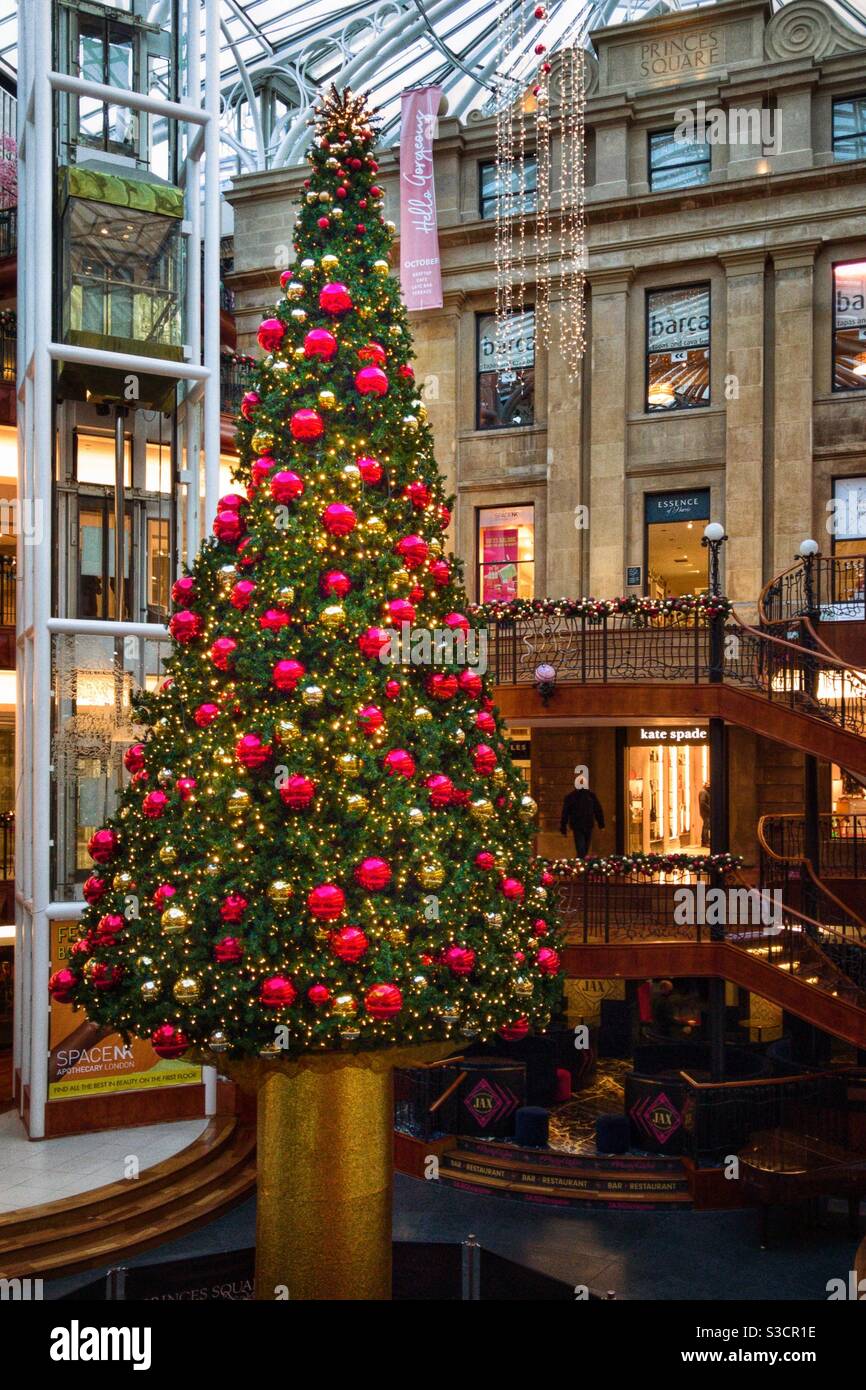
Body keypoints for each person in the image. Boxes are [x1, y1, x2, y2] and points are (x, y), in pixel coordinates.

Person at [560, 783, 605, 857]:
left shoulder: (571, 797)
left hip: (578, 825)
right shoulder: (591, 796)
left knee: (581, 848)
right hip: (587, 824)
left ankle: (581, 862)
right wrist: (601, 824)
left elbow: (565, 813)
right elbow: (598, 810)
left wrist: (563, 828)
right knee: (584, 848)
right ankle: (582, 862)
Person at [699, 780, 711, 848]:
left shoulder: (705, 792)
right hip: (705, 812)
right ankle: (705, 841)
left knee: (706, 826)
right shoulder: (704, 792)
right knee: (706, 826)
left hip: (705, 812)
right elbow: (702, 802)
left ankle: (705, 841)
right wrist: (709, 809)